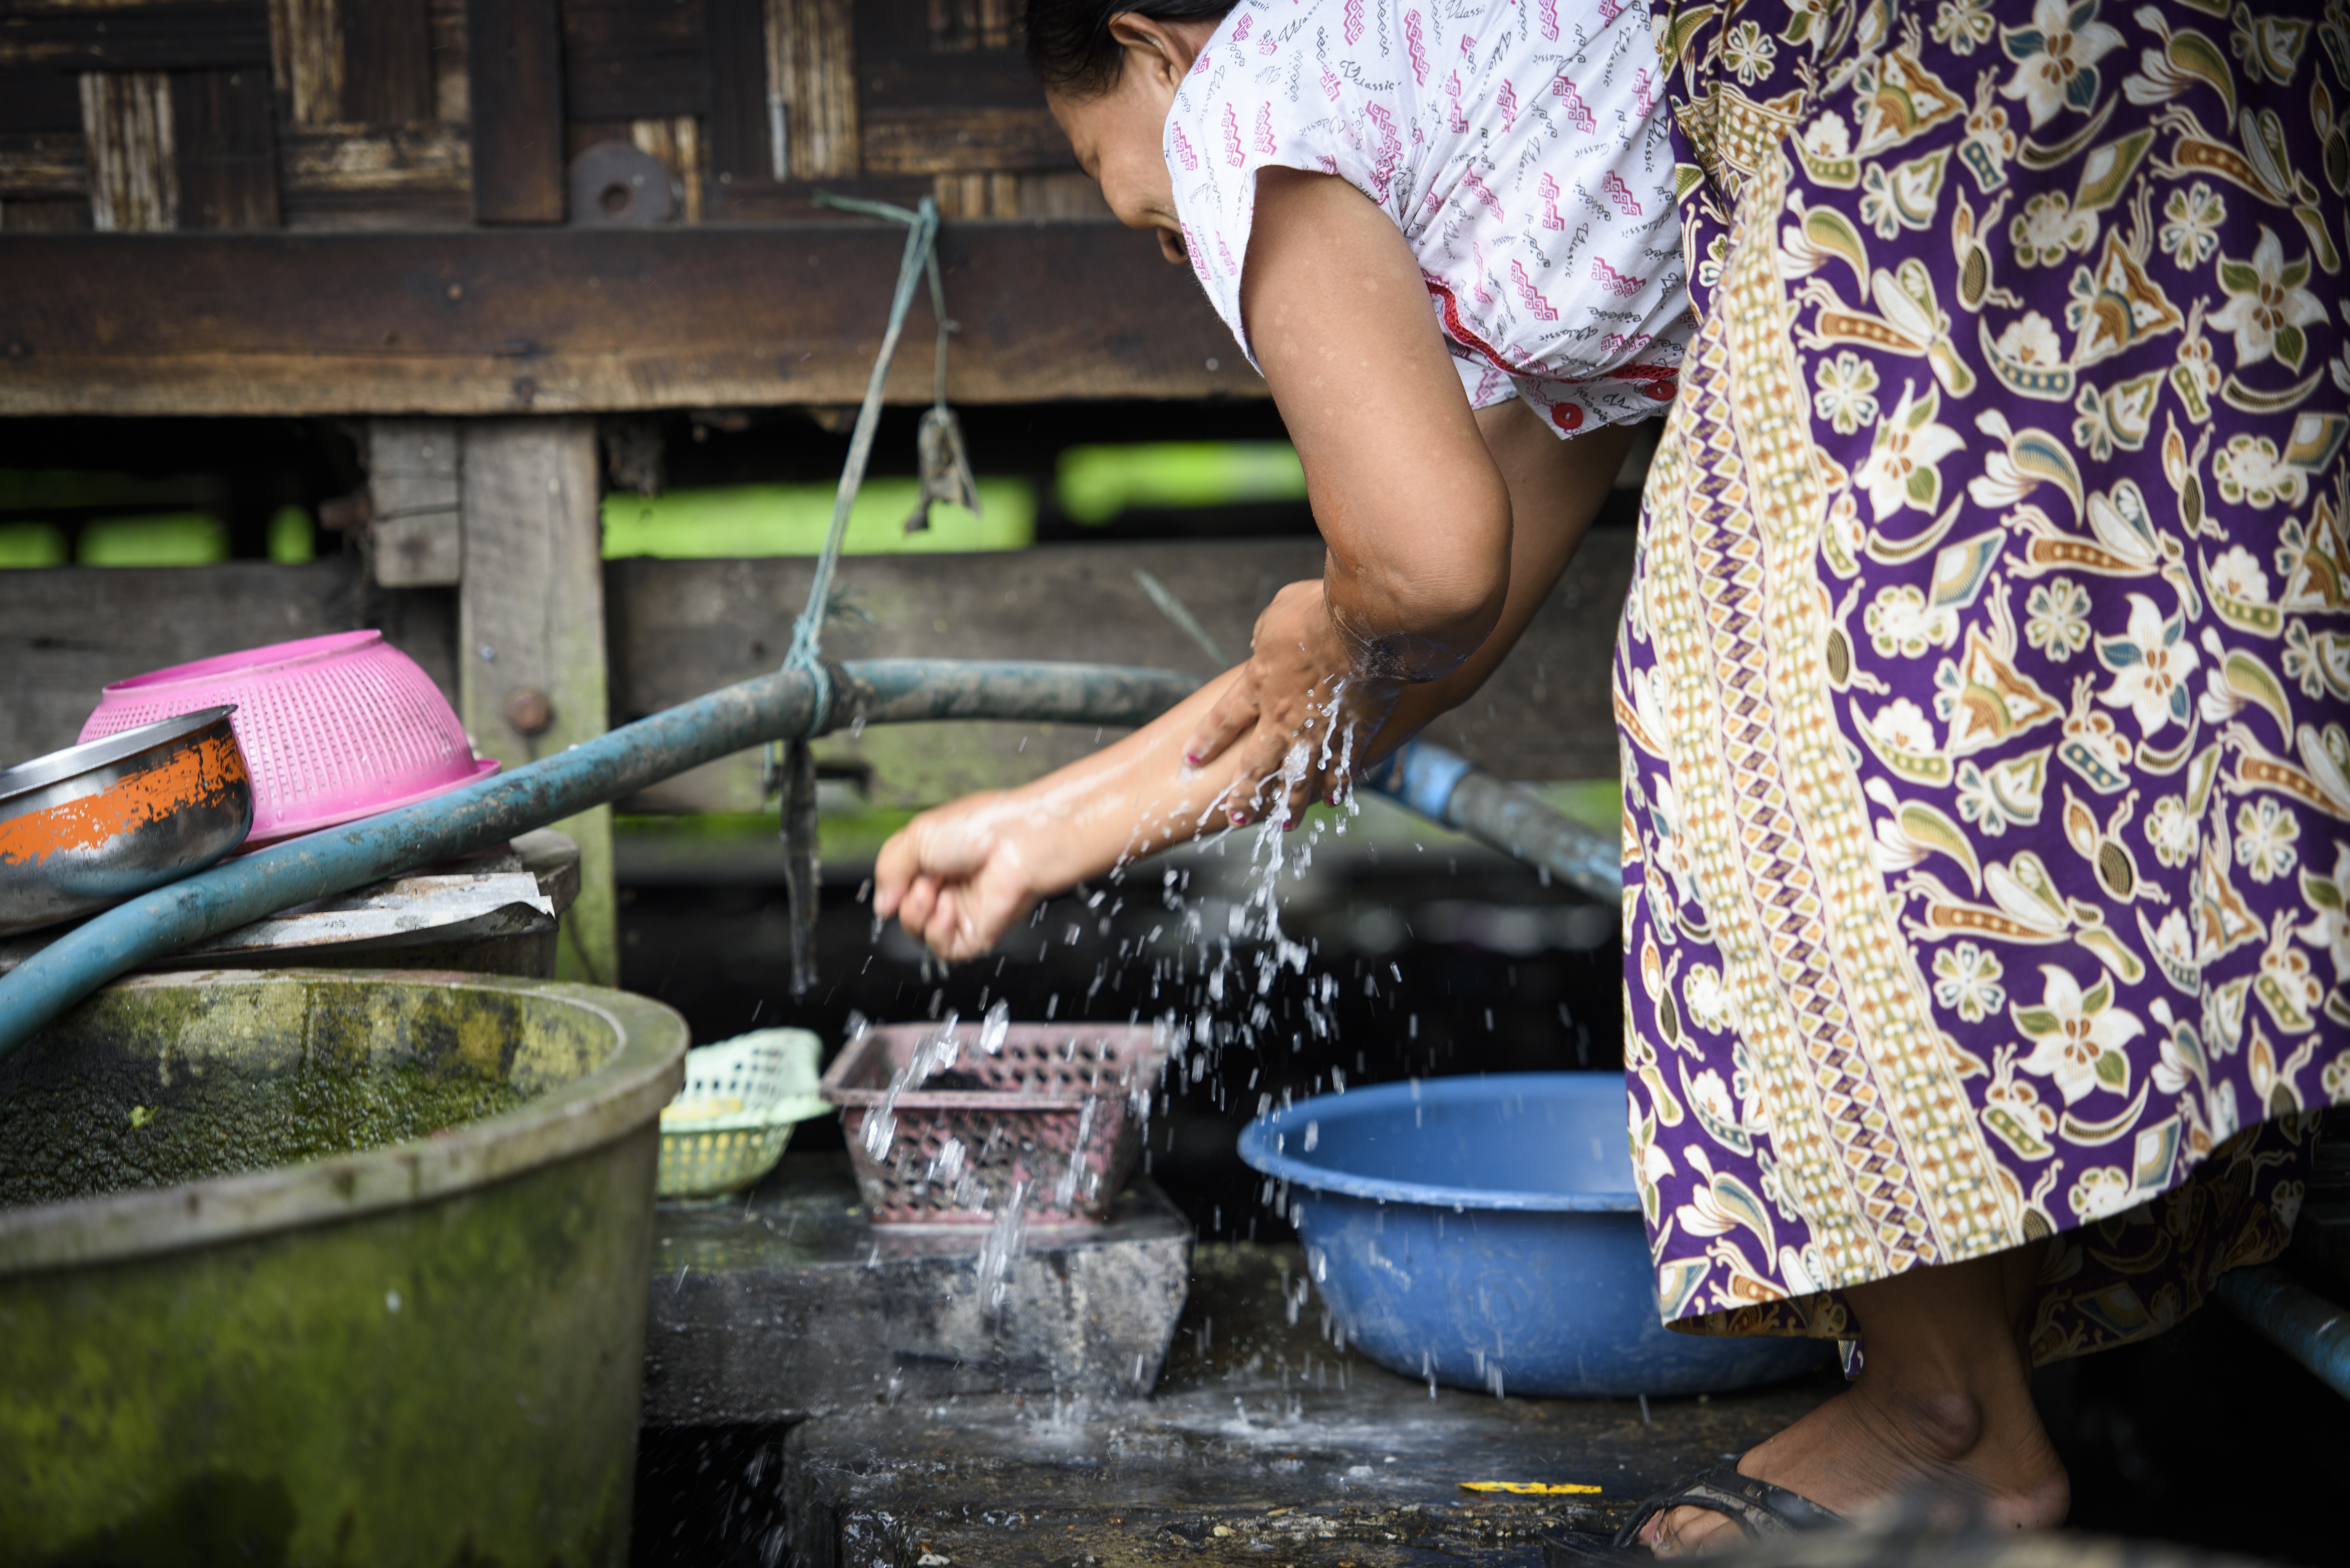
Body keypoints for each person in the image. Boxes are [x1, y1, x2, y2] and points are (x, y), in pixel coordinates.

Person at [876, 0, 2349, 1553]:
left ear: (1158, 47)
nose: (1190, 258)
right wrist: (1047, 828)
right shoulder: (1562, 210)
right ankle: (1956, 1397)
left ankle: (1947, 1412)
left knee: (1762, 718)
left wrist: (1337, 610)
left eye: (1157, 221)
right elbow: (1420, 640)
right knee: (2010, 711)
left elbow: (1413, 580)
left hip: (1930, 112)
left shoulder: (1249, 87)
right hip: (2162, 109)